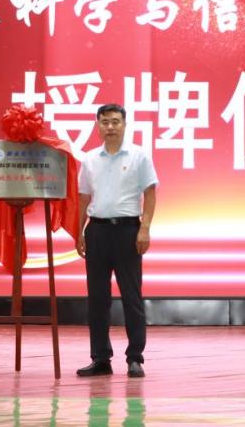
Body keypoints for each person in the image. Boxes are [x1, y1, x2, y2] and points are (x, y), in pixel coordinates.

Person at [75, 104, 158, 378]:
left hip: (127, 232)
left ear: (124, 124)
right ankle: (100, 358)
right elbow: (84, 198)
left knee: (131, 297)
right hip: (97, 232)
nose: (110, 127)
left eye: (115, 122)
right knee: (97, 299)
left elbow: (150, 194)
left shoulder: (139, 156)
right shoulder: (89, 159)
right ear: (97, 125)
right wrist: (78, 231)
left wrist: (144, 228)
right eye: (105, 122)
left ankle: (135, 358)